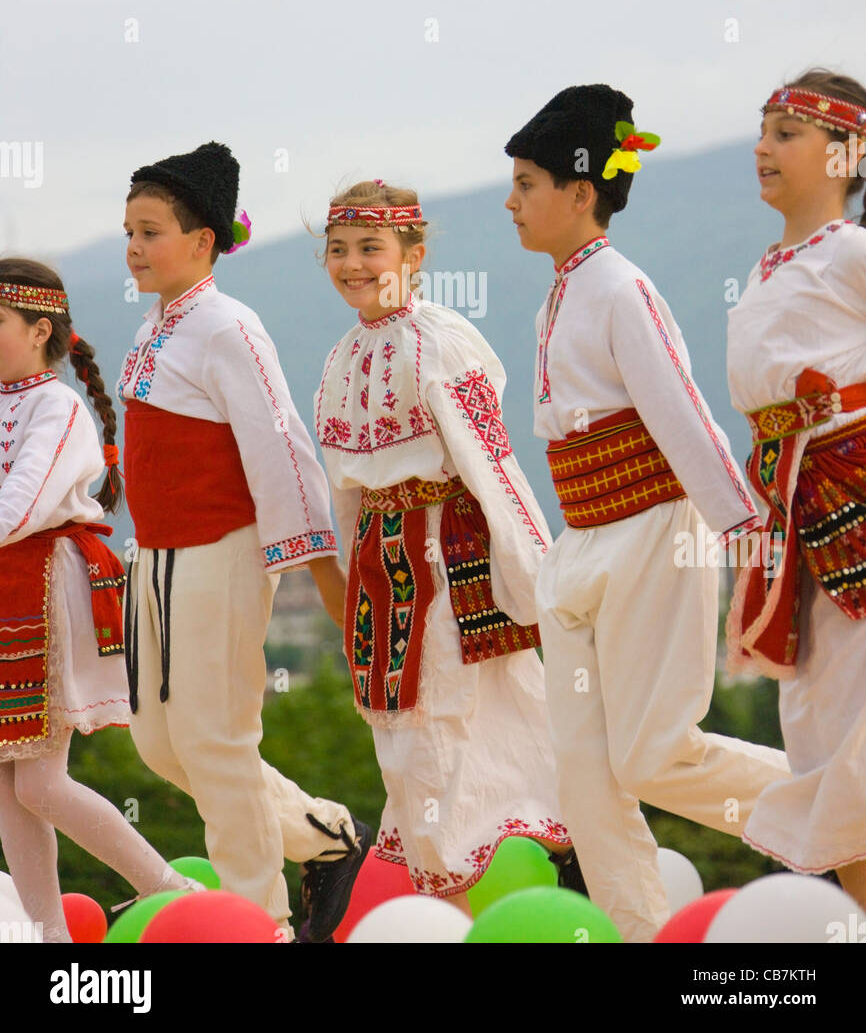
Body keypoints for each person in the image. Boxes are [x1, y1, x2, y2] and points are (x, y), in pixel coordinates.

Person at [504, 84, 789, 942]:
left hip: (655, 533)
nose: (512, 201)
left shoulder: (621, 288)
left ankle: (828, 803)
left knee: (654, 753)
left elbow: (685, 417)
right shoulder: (563, 290)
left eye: (527, 183)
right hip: (582, 543)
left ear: (581, 191)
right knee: (586, 779)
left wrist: (752, 547)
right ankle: (641, 934)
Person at [119, 141, 369, 942]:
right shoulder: (157, 325)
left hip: (220, 555)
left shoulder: (229, 326)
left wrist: (321, 568)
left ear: (204, 241)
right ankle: (323, 836)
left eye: (151, 231)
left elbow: (282, 448)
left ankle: (256, 924)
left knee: (216, 744)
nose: (134, 246)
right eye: (129, 230)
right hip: (153, 559)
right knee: (163, 747)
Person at [314, 180, 579, 912]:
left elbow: (492, 466)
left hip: (446, 560)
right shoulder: (342, 357)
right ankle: (463, 899)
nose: (353, 264)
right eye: (338, 250)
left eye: (371, 248)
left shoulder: (440, 340)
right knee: (404, 741)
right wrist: (346, 583)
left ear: (414, 254)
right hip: (380, 565)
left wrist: (539, 582)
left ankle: (489, 896)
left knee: (454, 736)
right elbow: (346, 489)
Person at [0, 259, 200, 943]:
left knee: (39, 783)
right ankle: (47, 936)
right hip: (5, 588)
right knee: (7, 785)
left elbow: (21, 505)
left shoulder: (54, 405)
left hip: (44, 584)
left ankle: (173, 893)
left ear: (38, 329)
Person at [726, 69, 866, 909]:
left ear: (847, 153)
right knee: (821, 740)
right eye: (764, 129)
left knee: (855, 739)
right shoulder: (774, 264)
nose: (763, 147)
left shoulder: (852, 251)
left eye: (787, 132)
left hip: (851, 498)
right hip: (792, 519)